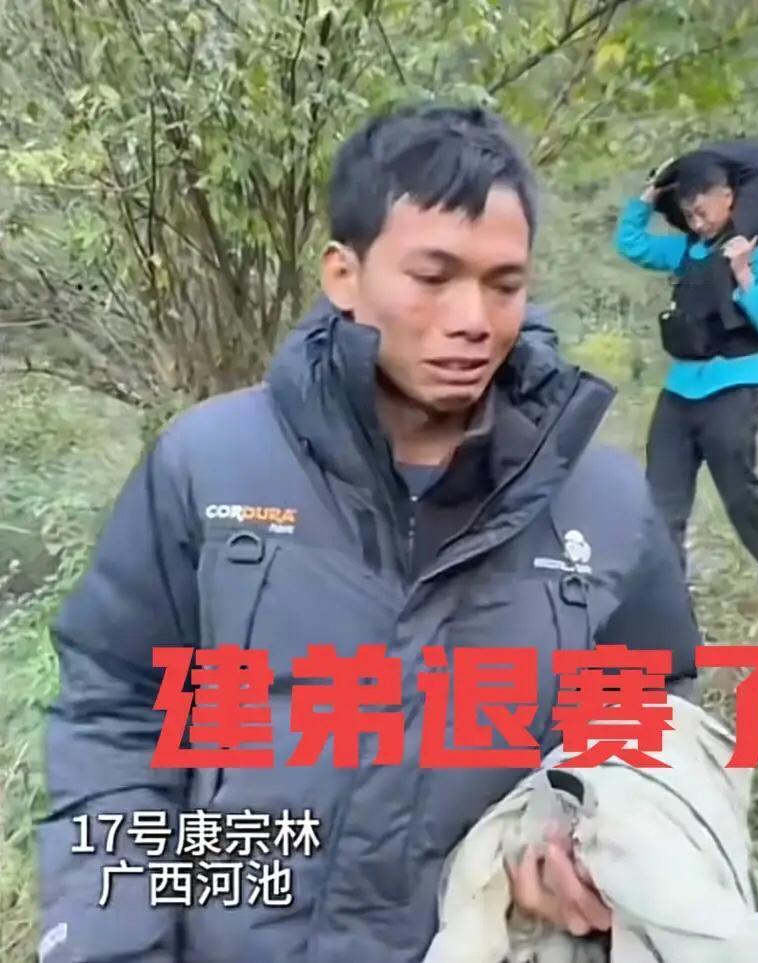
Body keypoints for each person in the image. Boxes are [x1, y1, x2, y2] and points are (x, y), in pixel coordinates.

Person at [37, 104, 701, 963]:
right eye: (433, 276)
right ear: (344, 275)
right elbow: (117, 710)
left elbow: (646, 714)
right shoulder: (210, 467)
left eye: (504, 284)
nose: (473, 318)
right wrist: (113, 942)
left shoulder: (603, 503)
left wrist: (584, 836)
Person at [614, 150, 758, 603]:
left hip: (736, 384)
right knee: (662, 493)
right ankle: (667, 591)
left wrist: (743, 275)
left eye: (702, 211)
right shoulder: (688, 252)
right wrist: (648, 198)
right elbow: (631, 243)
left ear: (728, 197)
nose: (697, 223)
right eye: (688, 215)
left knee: (738, 488)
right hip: (681, 388)